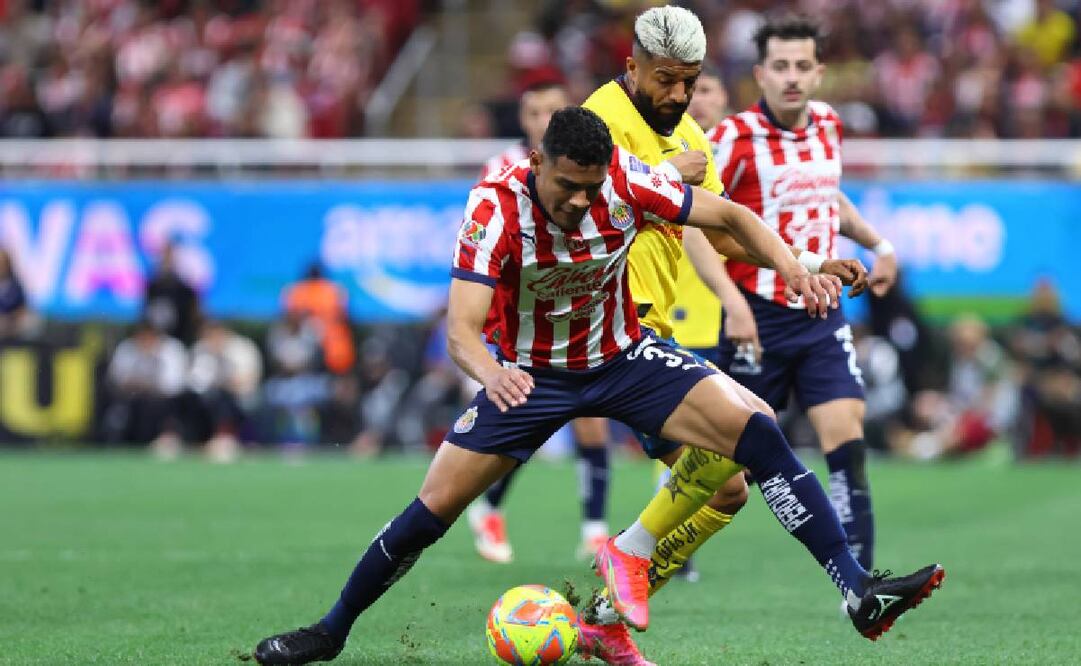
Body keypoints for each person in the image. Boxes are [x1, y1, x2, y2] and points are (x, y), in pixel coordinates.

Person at [251, 107, 943, 665]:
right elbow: (461, 329)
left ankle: (855, 590)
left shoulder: (625, 182)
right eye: (567, 186)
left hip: (624, 359)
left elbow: (729, 218)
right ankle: (331, 631)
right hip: (531, 377)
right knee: (428, 514)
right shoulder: (493, 211)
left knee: (757, 435)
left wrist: (793, 269)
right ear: (536, 165)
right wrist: (494, 374)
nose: (581, 201)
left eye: (592, 186)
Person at [585, 16, 907, 619]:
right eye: (670, 81)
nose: (682, 96)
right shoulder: (606, 119)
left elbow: (731, 228)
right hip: (605, 333)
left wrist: (814, 260)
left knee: (733, 482)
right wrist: (739, 297)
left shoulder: (703, 142)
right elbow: (577, 198)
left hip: (659, 328)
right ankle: (853, 585)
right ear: (633, 70)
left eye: (691, 82)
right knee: (755, 434)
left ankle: (603, 612)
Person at [470, 78, 616, 564]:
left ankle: (595, 529)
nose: (542, 121)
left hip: (580, 316)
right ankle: (490, 506)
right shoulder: (497, 173)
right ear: (523, 118)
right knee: (525, 427)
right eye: (534, 112)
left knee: (592, 423)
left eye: (552, 111)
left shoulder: (591, 174)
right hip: (524, 325)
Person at [143, 242, 201, 347]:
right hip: (156, 343)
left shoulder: (186, 290)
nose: (167, 261)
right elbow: (146, 315)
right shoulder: (153, 288)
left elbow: (193, 317)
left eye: (170, 256)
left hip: (181, 340)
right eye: (164, 256)